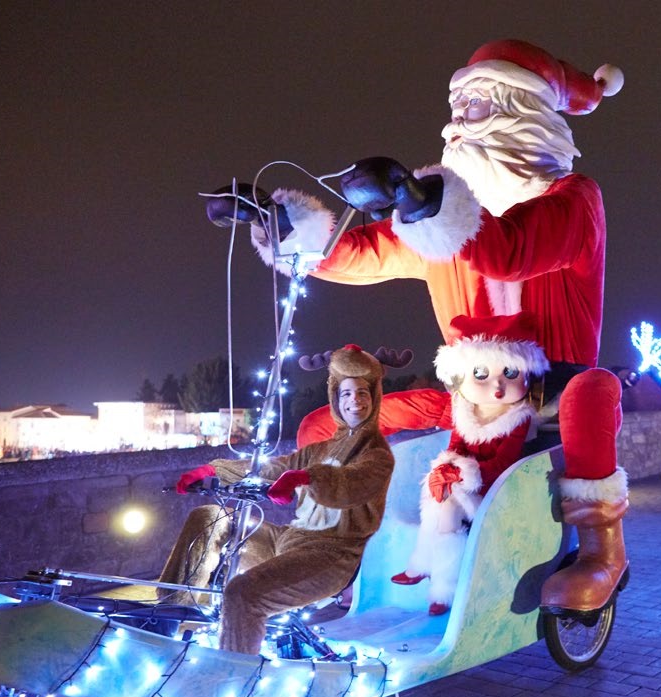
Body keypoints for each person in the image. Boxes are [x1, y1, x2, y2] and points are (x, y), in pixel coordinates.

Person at [239, 39, 628, 617]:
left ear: (519, 114)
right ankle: (330, 545)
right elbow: (364, 252)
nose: (455, 127)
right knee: (326, 422)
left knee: (594, 396)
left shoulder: (575, 200)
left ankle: (602, 553)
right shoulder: (445, 223)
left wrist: (425, 208)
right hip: (468, 395)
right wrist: (285, 229)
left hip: (551, 392)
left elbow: (513, 249)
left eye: (471, 107)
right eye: (455, 109)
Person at [164, 345, 394, 697]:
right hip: (289, 542)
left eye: (363, 394)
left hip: (330, 556)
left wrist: (308, 479)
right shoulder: (320, 448)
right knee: (210, 517)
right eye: (346, 393)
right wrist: (214, 470)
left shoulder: (378, 455)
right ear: (335, 398)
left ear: (374, 398)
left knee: (244, 595)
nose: (354, 401)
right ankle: (170, 617)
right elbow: (272, 467)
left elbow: (351, 484)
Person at [392, 312, 549, 615]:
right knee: (438, 494)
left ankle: (436, 580)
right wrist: (447, 468)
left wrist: (465, 474)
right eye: (481, 373)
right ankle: (435, 579)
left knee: (446, 504)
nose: (498, 385)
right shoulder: (463, 411)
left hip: (497, 489)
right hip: (468, 483)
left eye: (510, 373)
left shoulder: (517, 417)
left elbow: (505, 462)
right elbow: (455, 446)